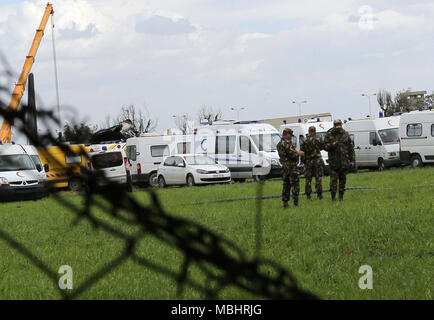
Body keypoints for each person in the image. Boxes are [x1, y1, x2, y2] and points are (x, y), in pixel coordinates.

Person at [324, 119, 355, 201]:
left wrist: (352, 161)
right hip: (334, 162)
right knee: (333, 181)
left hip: (344, 161)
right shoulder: (329, 134)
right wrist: (332, 145)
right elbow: (325, 147)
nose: (338, 128)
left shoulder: (345, 134)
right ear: (334, 125)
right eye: (336, 126)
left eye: (339, 126)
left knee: (342, 181)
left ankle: (341, 197)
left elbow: (351, 149)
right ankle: (333, 197)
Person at [277, 128, 304, 208]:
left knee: (286, 184)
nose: (291, 137)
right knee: (295, 184)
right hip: (291, 167)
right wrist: (299, 153)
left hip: (285, 167)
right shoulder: (285, 143)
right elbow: (292, 154)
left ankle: (285, 203)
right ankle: (296, 203)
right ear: (286, 134)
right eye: (290, 135)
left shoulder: (280, 143)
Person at [300, 126, 324, 200]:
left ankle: (308, 195)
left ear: (309, 131)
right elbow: (322, 147)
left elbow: (302, 152)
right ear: (315, 131)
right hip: (317, 160)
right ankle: (319, 194)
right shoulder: (318, 139)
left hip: (308, 161)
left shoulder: (305, 140)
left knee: (308, 179)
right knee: (318, 178)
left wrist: (304, 161)